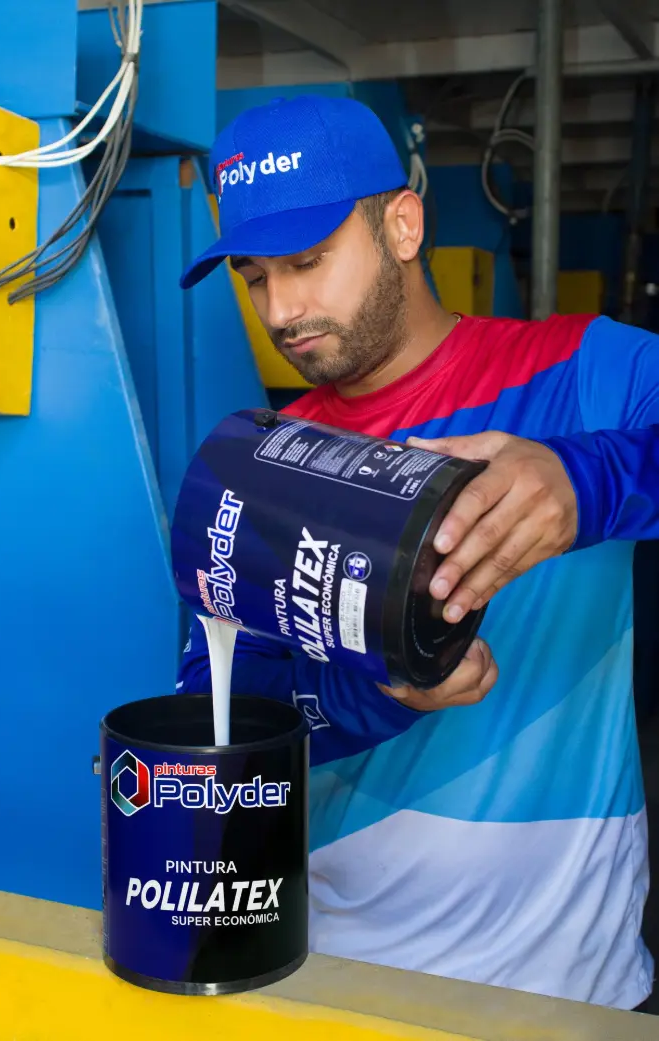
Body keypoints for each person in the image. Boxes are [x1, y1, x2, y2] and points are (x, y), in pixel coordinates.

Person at [177, 94, 659, 1011]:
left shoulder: (585, 373)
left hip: (573, 990)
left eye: (307, 262)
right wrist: (373, 694)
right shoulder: (266, 465)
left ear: (402, 224)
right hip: (339, 984)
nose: (282, 309)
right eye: (255, 277)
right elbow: (218, 715)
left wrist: (585, 482)